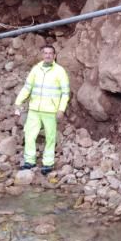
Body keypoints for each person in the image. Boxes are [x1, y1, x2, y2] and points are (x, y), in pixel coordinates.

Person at [14, 44, 71, 175]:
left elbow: (65, 93)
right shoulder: (36, 69)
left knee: (50, 137)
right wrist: (18, 102)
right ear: (42, 55)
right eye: (45, 53)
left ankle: (48, 164)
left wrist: (61, 109)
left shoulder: (60, 71)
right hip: (34, 109)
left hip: (51, 111)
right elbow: (27, 87)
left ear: (55, 56)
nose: (48, 55)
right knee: (29, 134)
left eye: (50, 53)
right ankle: (29, 161)